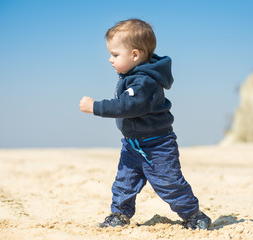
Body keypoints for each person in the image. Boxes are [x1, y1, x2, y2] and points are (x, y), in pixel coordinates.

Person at [79, 18, 211, 230]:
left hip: (157, 145)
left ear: (135, 55)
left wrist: (96, 107)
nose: (110, 60)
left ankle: (194, 215)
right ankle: (119, 214)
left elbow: (128, 106)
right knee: (124, 182)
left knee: (169, 183)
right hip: (132, 144)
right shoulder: (131, 77)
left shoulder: (144, 81)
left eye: (115, 54)